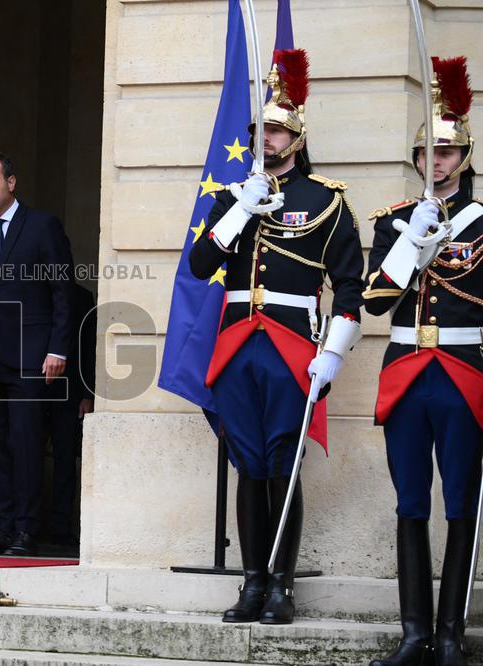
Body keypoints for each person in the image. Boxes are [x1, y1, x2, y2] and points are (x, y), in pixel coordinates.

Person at [188, 50, 364, 624]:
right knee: (249, 464)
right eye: (261, 129)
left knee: (284, 464)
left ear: (297, 135)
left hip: (292, 342)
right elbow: (199, 264)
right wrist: (240, 210)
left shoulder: (326, 200)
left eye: (278, 129)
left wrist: (332, 356)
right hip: (239, 340)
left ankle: (283, 586)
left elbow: (349, 287)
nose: (267, 138)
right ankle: (252, 582)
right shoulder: (231, 195)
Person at [365, 56, 482, 666]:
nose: (434, 162)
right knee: (411, 501)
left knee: (460, 501)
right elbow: (376, 302)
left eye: (445, 153)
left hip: (465, 377)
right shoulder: (393, 223)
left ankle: (449, 635)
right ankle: (413, 632)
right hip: (408, 373)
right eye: (426, 153)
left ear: (463, 158)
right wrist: (414, 243)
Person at [0, 150, 72, 556]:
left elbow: (63, 293)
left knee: (26, 444)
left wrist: (58, 348)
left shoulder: (42, 226)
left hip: (32, 355)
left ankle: (26, 530)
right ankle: (2, 528)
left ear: (11, 182)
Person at [47, 280, 95, 545]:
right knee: (17, 455)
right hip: (28, 390)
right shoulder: (27, 290)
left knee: (65, 459)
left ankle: (59, 526)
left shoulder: (81, 297)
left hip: (71, 391)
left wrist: (87, 393)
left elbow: (89, 346)